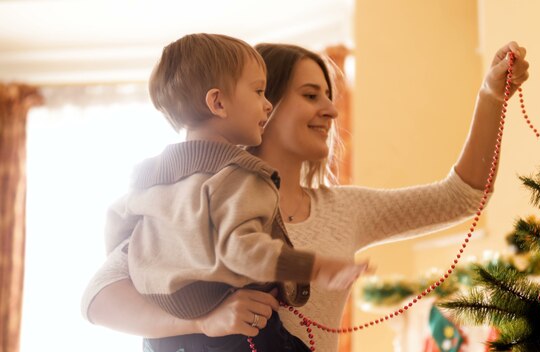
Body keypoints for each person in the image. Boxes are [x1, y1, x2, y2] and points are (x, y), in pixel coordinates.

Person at [81, 41, 529, 352]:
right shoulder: (190, 202)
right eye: (311, 95)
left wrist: (492, 95)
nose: (332, 110)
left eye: (329, 96)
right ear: (264, 104)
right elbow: (99, 299)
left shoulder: (345, 209)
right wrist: (203, 321)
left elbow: (462, 196)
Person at [102, 33, 368, 352]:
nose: (266, 104)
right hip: (239, 338)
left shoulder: (149, 177)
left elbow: (116, 223)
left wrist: (148, 265)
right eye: (258, 91)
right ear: (218, 103)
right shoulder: (240, 176)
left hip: (164, 342)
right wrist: (315, 267)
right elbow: (243, 251)